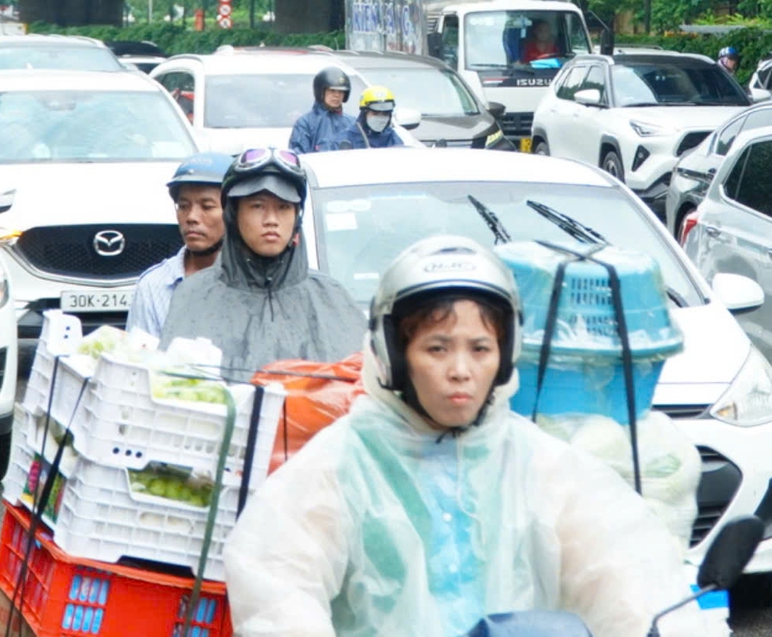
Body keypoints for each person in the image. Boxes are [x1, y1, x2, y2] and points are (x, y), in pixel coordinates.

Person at [225, 236, 699, 637]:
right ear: (393, 353)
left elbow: (629, 579)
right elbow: (276, 589)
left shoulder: (542, 465)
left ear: (507, 354)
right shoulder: (342, 464)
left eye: (480, 349)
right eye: (436, 348)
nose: (460, 371)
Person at [154, 147, 362, 374]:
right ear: (233, 214)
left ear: (296, 216)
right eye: (257, 206)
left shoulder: (331, 298)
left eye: (283, 207)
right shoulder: (193, 295)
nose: (271, 220)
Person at [126, 151, 232, 342]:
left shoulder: (254, 283)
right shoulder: (153, 286)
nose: (191, 217)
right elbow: (138, 364)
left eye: (207, 207)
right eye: (183, 206)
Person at [289, 66, 361, 154]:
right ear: (321, 92)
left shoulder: (352, 123)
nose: (337, 95)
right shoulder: (305, 123)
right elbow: (299, 156)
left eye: (341, 92)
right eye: (332, 91)